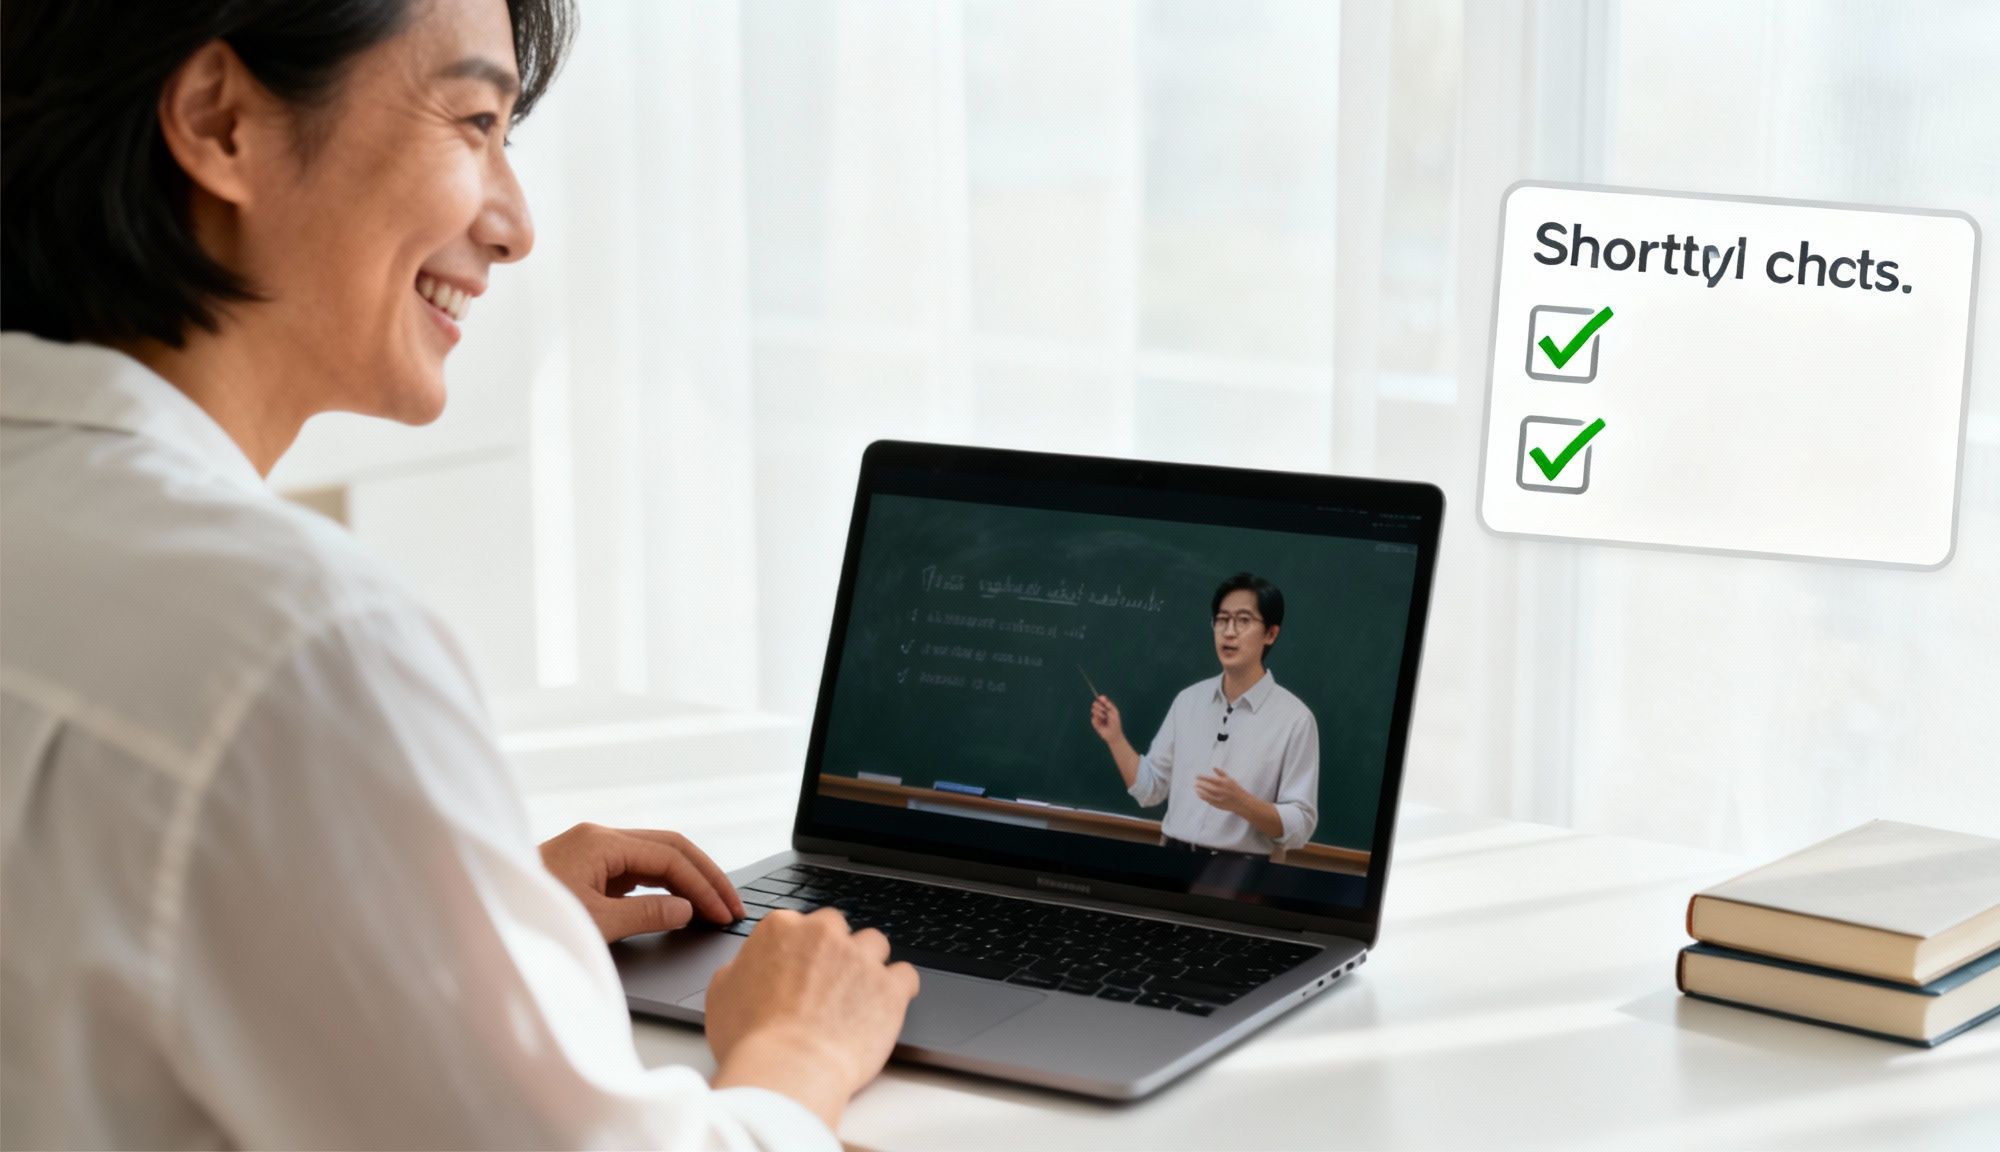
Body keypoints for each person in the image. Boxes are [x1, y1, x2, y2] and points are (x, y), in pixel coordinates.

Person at [0, 1, 915, 1147]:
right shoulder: (292, 643)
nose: (515, 224)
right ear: (221, 121)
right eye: (473, 121)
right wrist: (796, 1054)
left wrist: (435, 908)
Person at [1088, 573, 1320, 861]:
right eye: (1222, 620)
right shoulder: (1188, 700)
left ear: (1271, 633)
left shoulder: (1295, 719)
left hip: (1240, 872)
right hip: (1171, 857)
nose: (1229, 632)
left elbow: (1301, 827)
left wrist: (1243, 804)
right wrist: (1115, 738)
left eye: (1244, 620)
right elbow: (1150, 790)